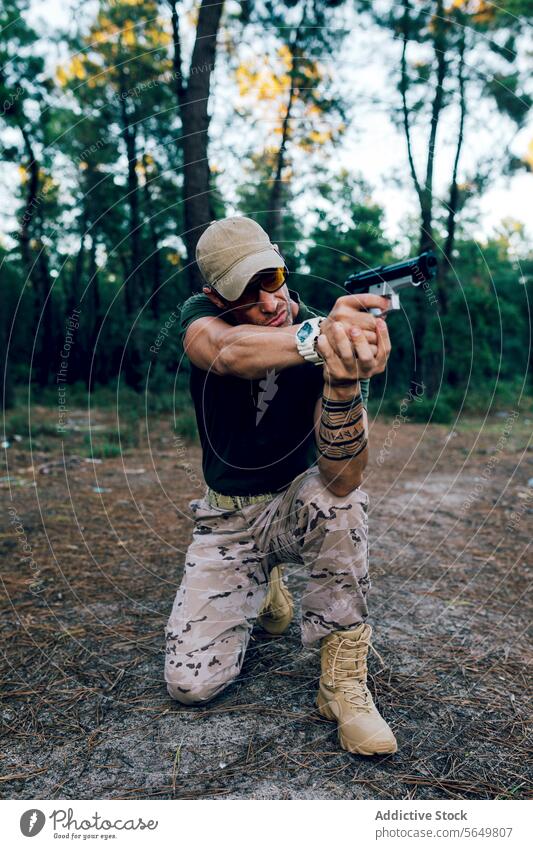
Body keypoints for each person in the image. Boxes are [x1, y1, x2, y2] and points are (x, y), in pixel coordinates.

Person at [164, 216, 397, 756]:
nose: (268, 301)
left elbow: (344, 476)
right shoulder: (201, 318)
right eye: (246, 293)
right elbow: (226, 353)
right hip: (225, 520)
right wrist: (321, 340)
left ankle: (342, 682)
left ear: (283, 267)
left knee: (338, 499)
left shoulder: (317, 337)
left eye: (272, 279)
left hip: (293, 507)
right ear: (214, 297)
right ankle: (264, 580)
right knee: (190, 686)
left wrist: (343, 382)